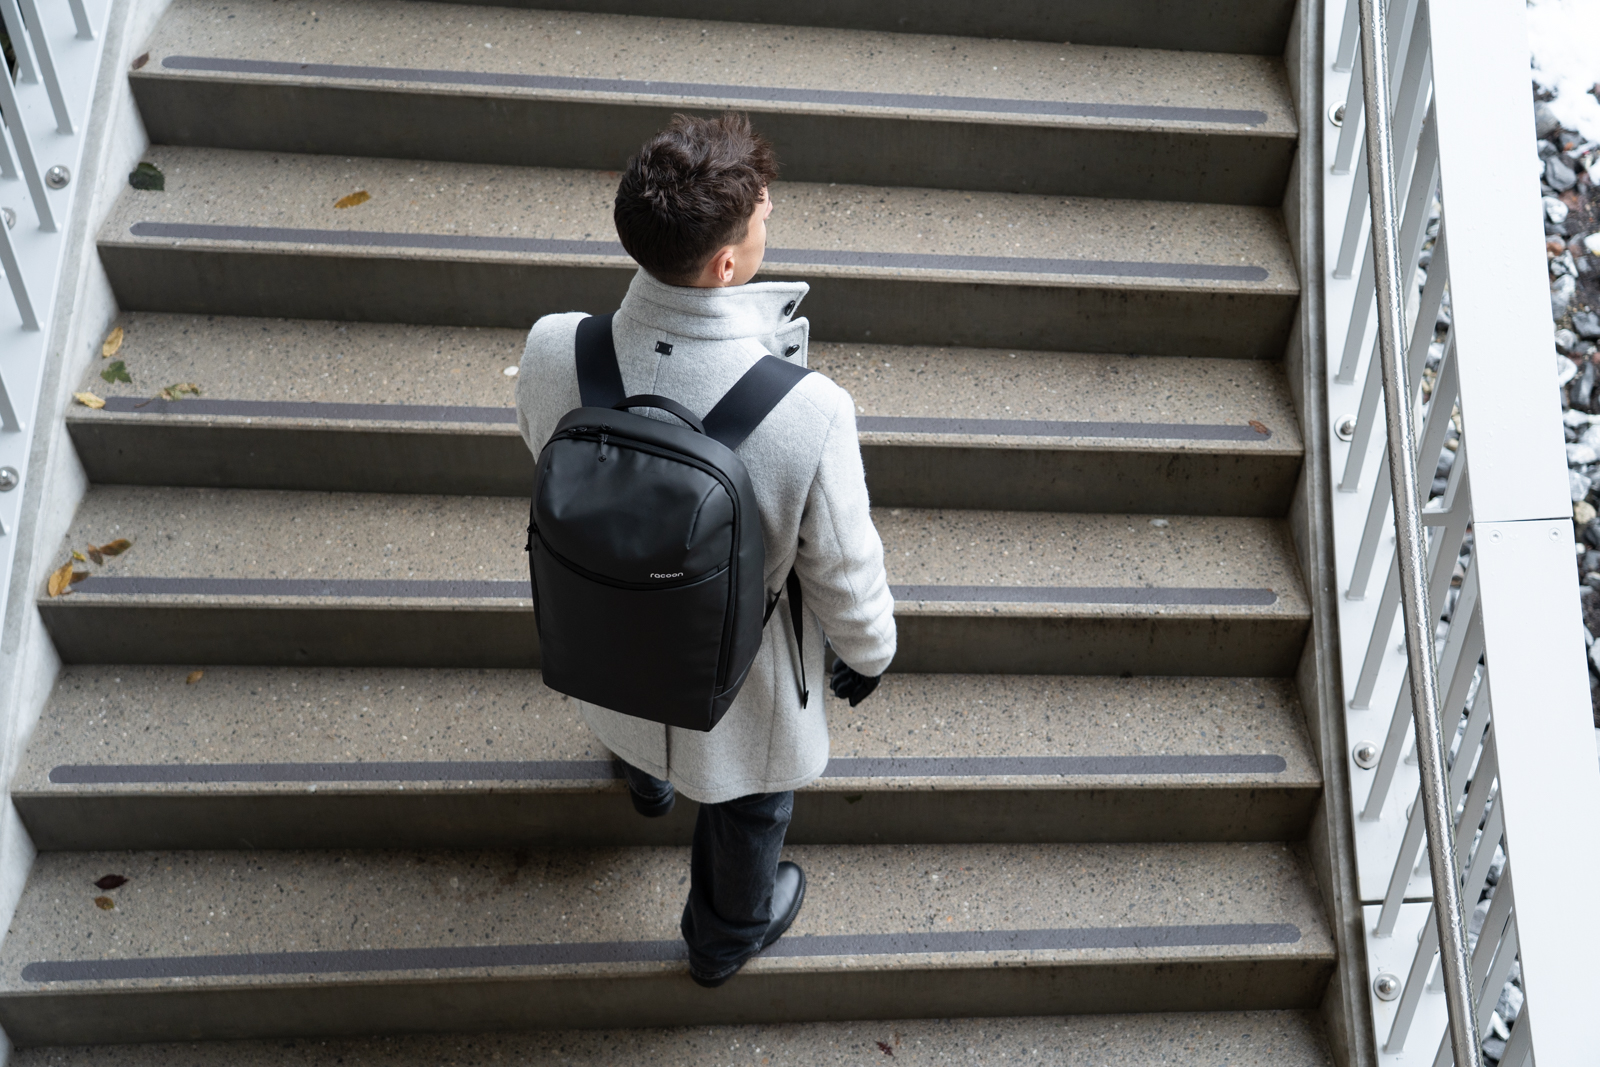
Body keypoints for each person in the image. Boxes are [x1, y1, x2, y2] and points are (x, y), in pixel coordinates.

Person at [515, 113, 896, 988]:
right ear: (727, 263)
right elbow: (841, 566)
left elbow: (550, 456)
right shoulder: (808, 411)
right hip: (735, 681)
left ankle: (644, 781)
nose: (768, 223)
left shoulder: (552, 347)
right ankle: (725, 934)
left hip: (603, 638)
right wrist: (868, 652)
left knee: (632, 715)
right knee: (752, 803)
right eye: (762, 217)